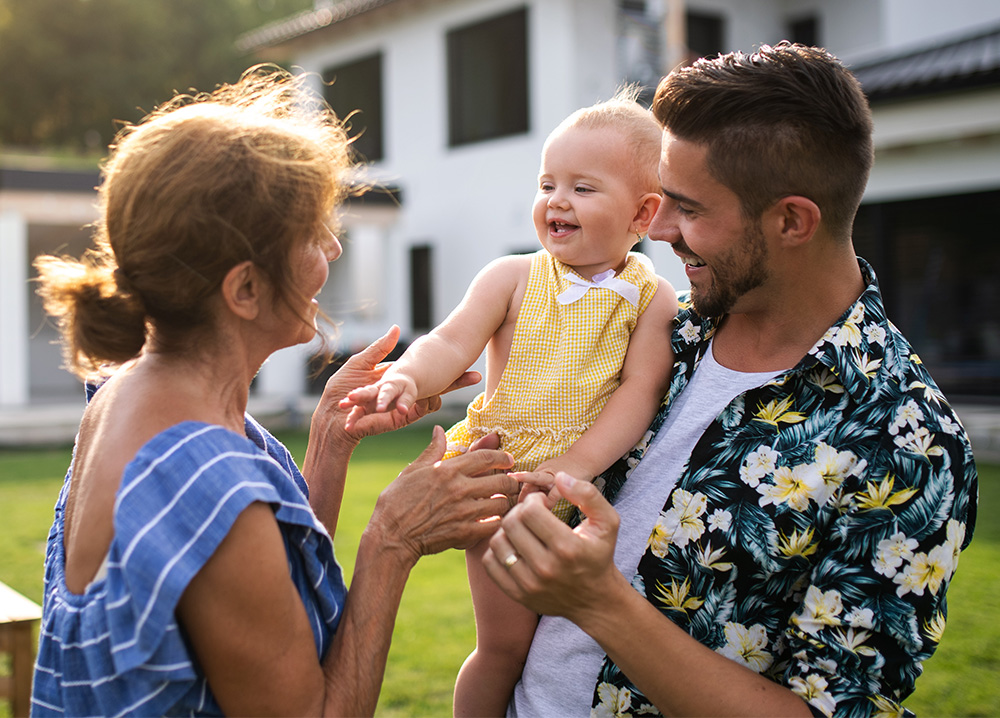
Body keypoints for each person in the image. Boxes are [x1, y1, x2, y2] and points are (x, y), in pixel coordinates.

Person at [484, 43, 979, 718]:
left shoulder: (908, 444)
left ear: (792, 220)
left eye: (686, 207)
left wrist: (599, 603)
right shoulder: (657, 334)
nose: (655, 228)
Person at [28, 66, 519, 717]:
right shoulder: (201, 475)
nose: (335, 249)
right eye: (312, 235)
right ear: (245, 290)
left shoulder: (132, 392)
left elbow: (265, 584)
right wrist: (392, 540)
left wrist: (329, 439)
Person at [340, 92, 677, 715]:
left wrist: (573, 467)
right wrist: (410, 376)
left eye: (582, 187)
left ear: (644, 212)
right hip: (503, 484)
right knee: (504, 647)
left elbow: (639, 394)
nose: (556, 200)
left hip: (584, 487)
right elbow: (450, 339)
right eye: (547, 182)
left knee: (577, 645)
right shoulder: (512, 278)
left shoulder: (650, 300)